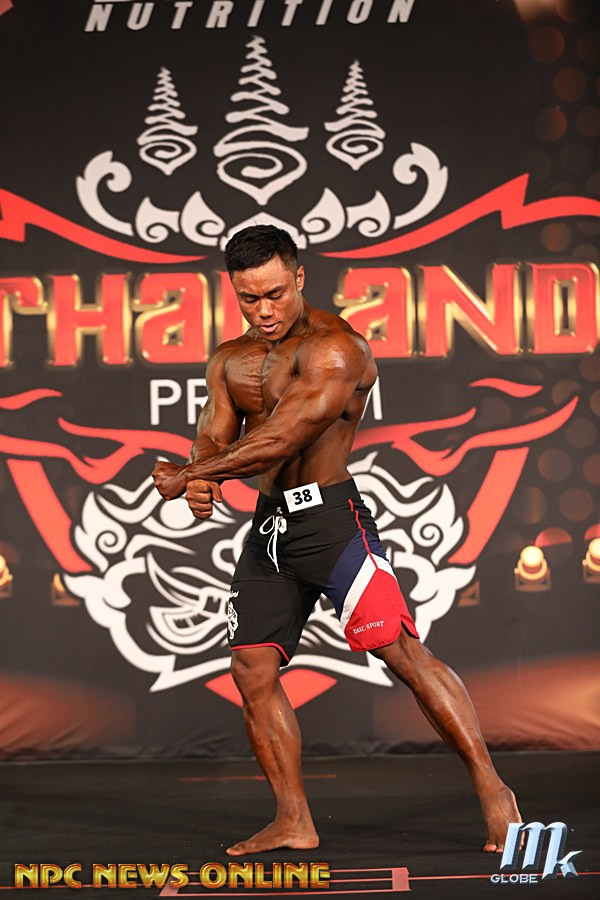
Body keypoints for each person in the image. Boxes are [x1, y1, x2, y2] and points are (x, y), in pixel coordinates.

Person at [152, 224, 521, 857]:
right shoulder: (229, 358)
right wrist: (202, 472)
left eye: (275, 293)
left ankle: (494, 790)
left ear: (299, 277)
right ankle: (294, 819)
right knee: (252, 669)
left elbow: (283, 437)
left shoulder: (337, 349)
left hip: (331, 521)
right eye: (249, 298)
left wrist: (191, 475)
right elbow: (215, 431)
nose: (264, 310)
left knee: (403, 654)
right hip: (269, 529)